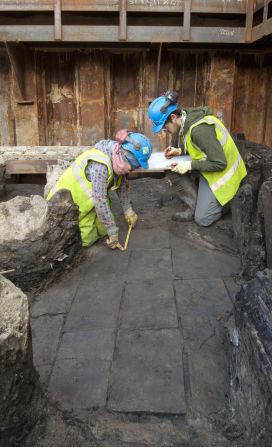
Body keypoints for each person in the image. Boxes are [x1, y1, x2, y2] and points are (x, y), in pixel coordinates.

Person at [148, 91, 247, 226]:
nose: (165, 131)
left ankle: (230, 201)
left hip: (224, 174)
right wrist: (179, 151)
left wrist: (189, 165)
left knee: (203, 219)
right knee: (173, 169)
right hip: (211, 164)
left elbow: (220, 163)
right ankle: (194, 205)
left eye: (165, 128)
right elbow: (200, 147)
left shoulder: (199, 130)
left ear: (172, 117)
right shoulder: (186, 118)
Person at [47, 130, 152, 248]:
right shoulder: (100, 167)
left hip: (91, 200)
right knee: (87, 240)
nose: (130, 171)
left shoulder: (115, 156)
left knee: (102, 231)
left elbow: (120, 183)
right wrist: (112, 231)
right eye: (131, 168)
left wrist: (128, 210)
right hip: (68, 206)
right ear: (120, 154)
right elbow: (100, 200)